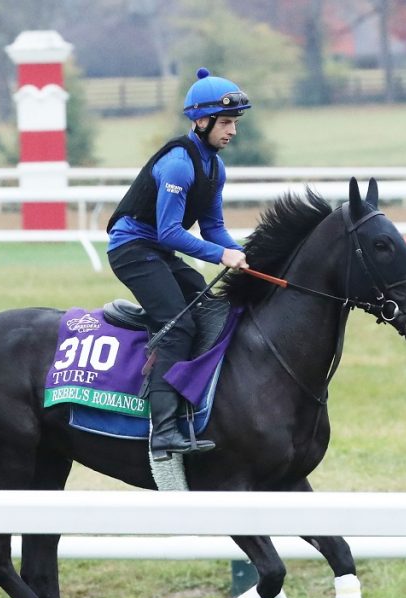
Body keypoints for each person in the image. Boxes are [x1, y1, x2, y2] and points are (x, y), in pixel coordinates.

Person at [106, 67, 251, 462]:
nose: (232, 131)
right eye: (225, 122)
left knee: (211, 309)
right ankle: (164, 432)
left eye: (234, 123)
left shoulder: (215, 168)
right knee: (178, 323)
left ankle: (195, 400)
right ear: (200, 121)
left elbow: (214, 228)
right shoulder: (178, 164)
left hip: (157, 250)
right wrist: (221, 255)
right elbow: (170, 232)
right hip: (132, 248)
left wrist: (241, 253)